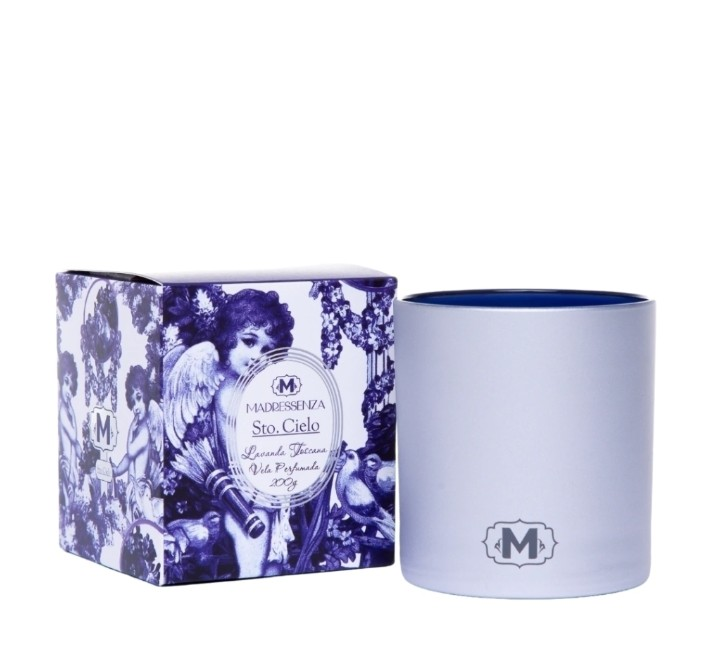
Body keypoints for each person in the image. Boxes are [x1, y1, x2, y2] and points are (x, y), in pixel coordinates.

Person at [165, 288, 295, 578]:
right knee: (254, 570)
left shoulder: (252, 387)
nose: (257, 355)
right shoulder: (225, 388)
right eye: (249, 341)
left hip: (266, 495)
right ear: (228, 338)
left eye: (267, 349)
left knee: (272, 568)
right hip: (245, 500)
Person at [113, 365, 163, 523]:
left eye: (139, 399)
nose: (136, 407)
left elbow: (131, 451)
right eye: (133, 402)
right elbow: (128, 458)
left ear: (146, 397)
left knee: (149, 521)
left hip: (141, 488)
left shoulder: (145, 430)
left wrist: (130, 429)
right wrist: (116, 470)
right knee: (133, 524)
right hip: (132, 488)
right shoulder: (138, 428)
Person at [58, 351, 80, 518]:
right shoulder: (62, 409)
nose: (68, 391)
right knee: (66, 503)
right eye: (66, 382)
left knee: (70, 503)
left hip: (71, 464)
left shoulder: (69, 408)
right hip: (65, 463)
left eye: (71, 388)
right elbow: (73, 436)